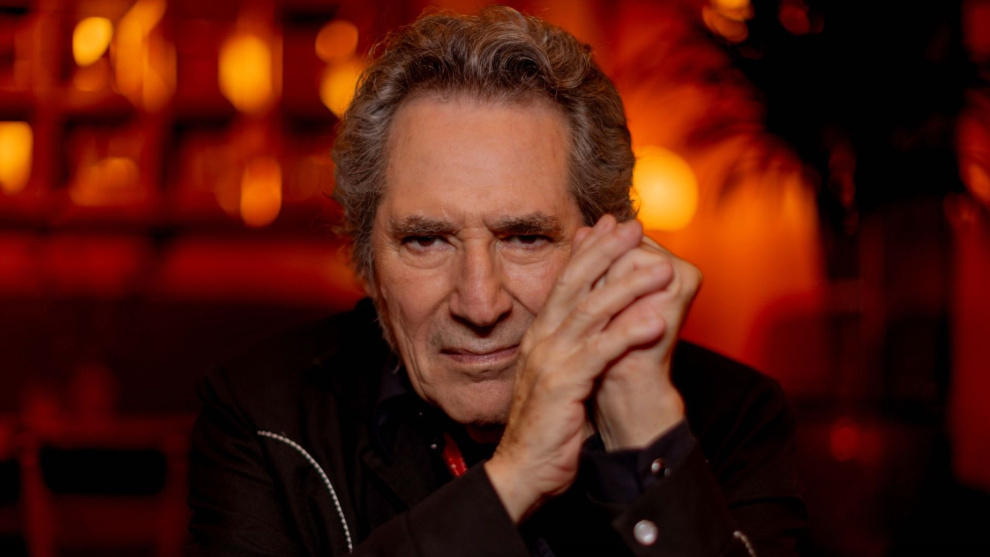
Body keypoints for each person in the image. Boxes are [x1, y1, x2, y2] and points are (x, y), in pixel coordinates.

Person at [187, 6, 807, 556]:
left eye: (525, 238)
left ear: (609, 247)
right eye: (426, 240)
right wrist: (515, 477)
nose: (480, 304)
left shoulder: (733, 416)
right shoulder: (263, 416)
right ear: (365, 258)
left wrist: (647, 447)